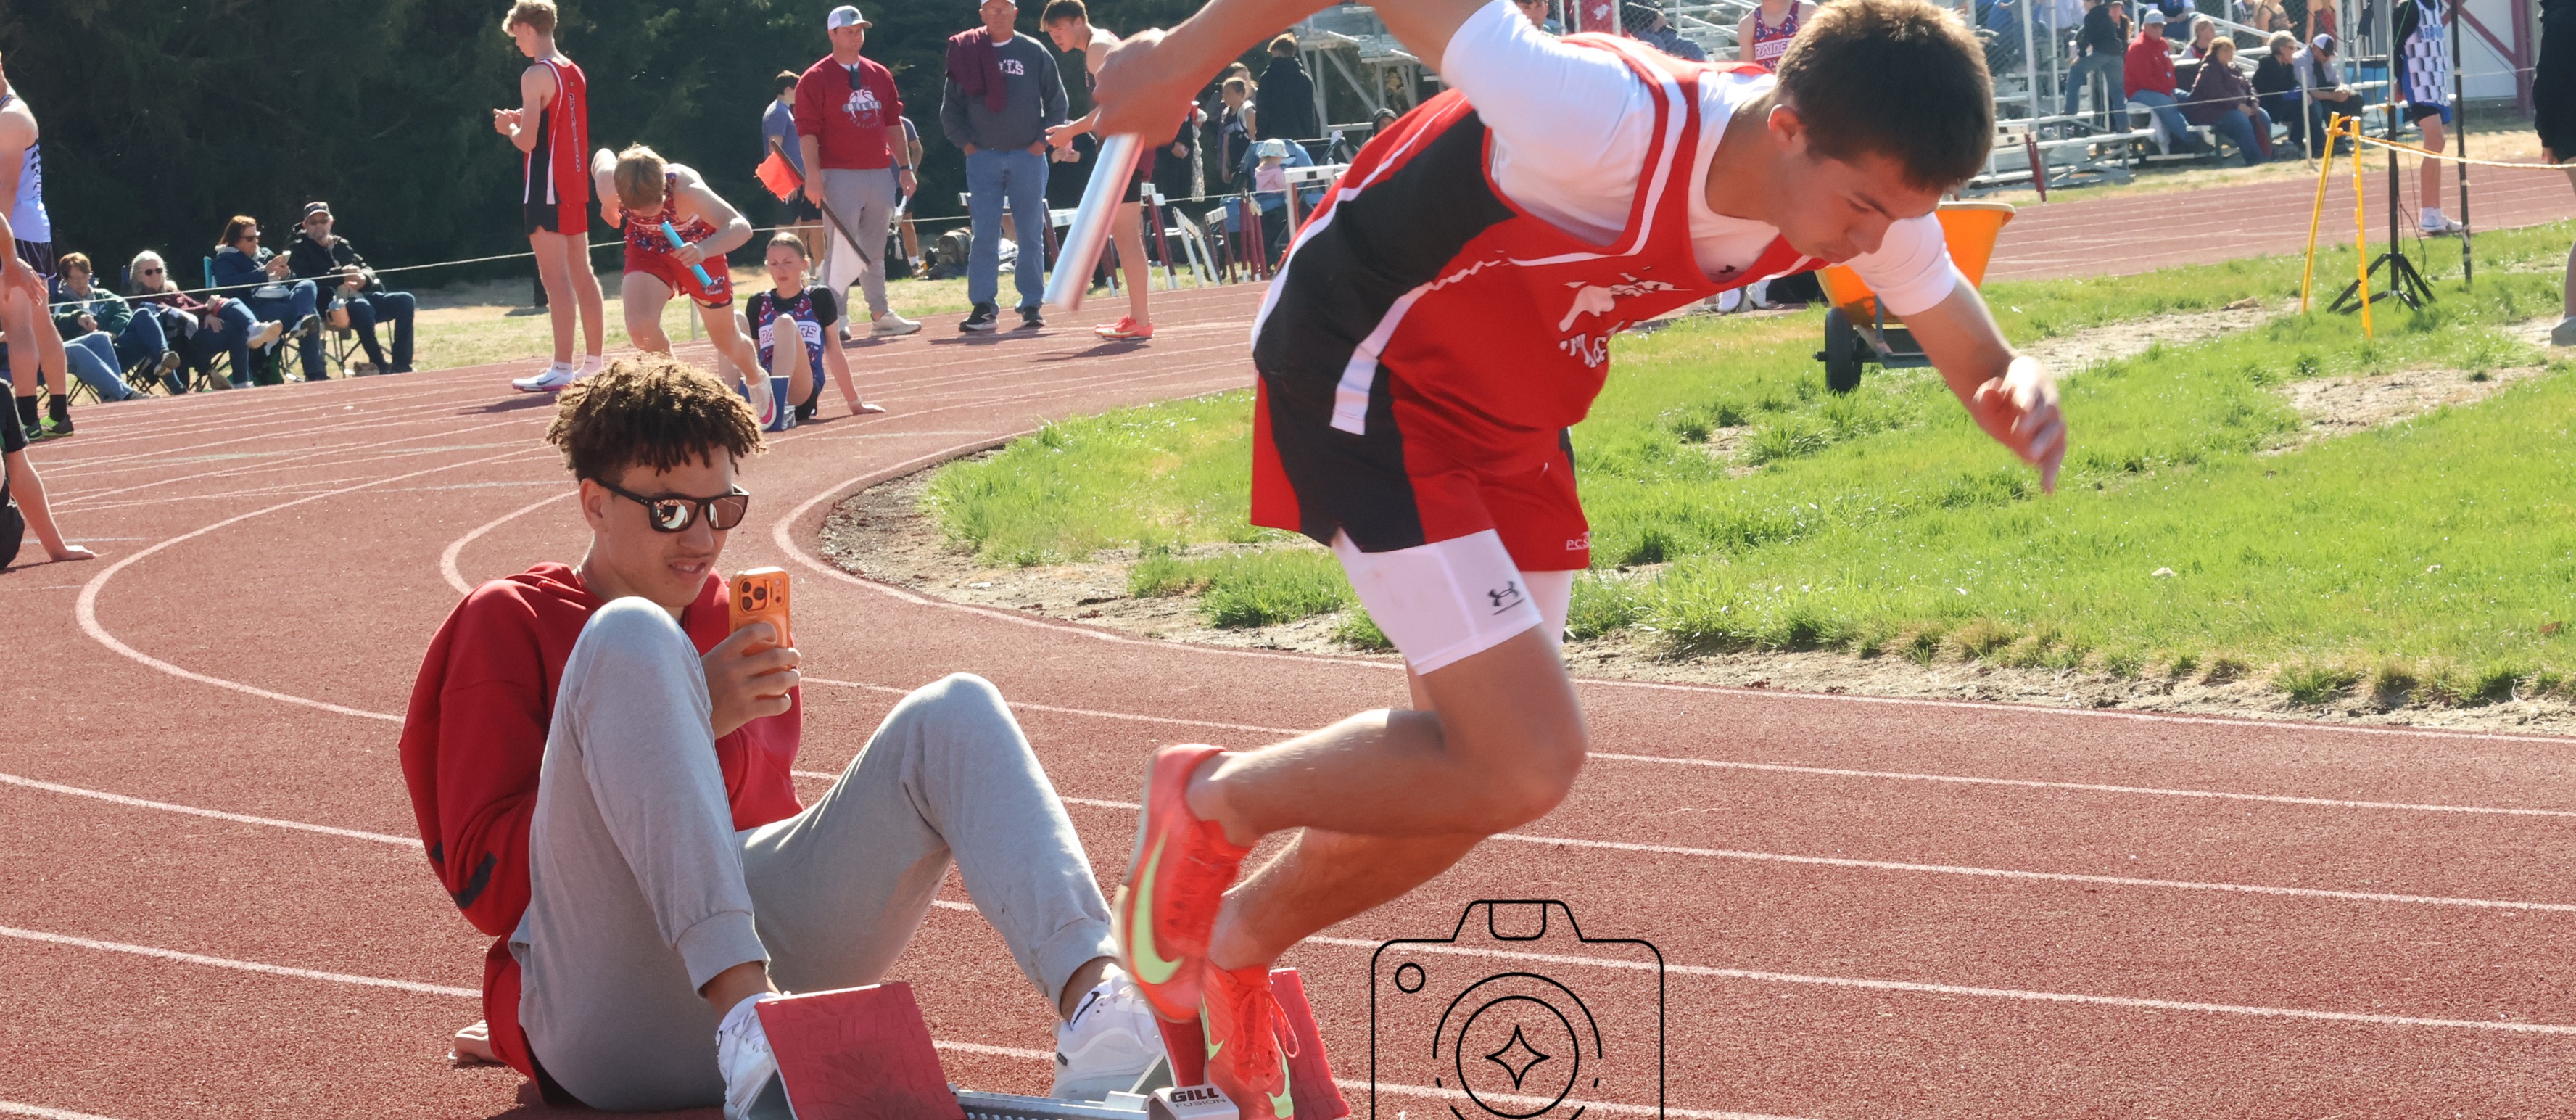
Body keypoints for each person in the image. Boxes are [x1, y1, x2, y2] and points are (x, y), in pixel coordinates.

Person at [1086, 2, 2065, 1116]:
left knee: (1469, 786)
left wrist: (2011, 386)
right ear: (1787, 126)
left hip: (1510, 405)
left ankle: (1234, 941)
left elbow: (1967, 340)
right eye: (1862, 209)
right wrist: (1175, 61)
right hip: (1367, 367)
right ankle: (1207, 804)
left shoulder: (1864, 186)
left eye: (1900, 216)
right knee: (1525, 758)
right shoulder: (1595, 120)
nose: (1870, 240)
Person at [401, 355, 1161, 1119]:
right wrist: (695, 713)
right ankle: (746, 1022)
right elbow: (493, 890)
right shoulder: (510, 618)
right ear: (594, 503)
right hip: (607, 1012)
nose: (701, 539)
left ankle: (1101, 1011)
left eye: (721, 509)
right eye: (670, 511)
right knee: (632, 634)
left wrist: (703, 714)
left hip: (768, 964)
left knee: (954, 710)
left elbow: (750, 849)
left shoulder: (729, 618)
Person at [593, 145, 774, 425]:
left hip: (699, 250)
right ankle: (679, 387)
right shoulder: (611, 185)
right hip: (648, 250)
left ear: (665, 190)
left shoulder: (687, 189)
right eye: (634, 210)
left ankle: (755, 376)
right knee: (640, 328)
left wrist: (703, 249)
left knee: (726, 341)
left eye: (652, 209)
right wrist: (607, 204)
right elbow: (602, 154)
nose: (645, 215)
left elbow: (741, 227)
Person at [495, 0, 608, 393]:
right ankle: (593, 362)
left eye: (516, 36)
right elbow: (552, 126)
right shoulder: (572, 70)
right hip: (574, 183)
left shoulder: (535, 74)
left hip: (546, 185)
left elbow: (528, 140)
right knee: (582, 272)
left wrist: (508, 128)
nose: (517, 44)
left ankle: (561, 366)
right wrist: (523, 121)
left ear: (527, 28)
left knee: (555, 278)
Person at [795, 6, 924, 341]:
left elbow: (893, 123)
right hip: (837, 173)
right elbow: (807, 131)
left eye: (860, 30)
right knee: (841, 247)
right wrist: (813, 175)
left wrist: (905, 167)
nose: (856, 35)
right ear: (832, 35)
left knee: (874, 248)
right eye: (849, 30)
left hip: (879, 172)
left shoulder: (879, 74)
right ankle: (835, 317)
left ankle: (880, 313)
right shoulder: (815, 78)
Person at [1044, 0, 1171, 342]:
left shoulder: (1097, 48)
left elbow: (1112, 107)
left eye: (1059, 30)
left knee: (1127, 236)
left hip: (1124, 145)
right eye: (1051, 33)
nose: (1056, 38)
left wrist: (1071, 130)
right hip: (1127, 143)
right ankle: (1139, 317)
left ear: (1077, 21)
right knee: (1127, 235)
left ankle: (1141, 319)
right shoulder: (1103, 41)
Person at [942, 0, 1070, 332]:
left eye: (1004, 8)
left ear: (1015, 13)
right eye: (991, 8)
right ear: (981, 14)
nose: (998, 14)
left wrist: (1041, 144)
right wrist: (968, 146)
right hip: (983, 157)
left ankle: (1031, 304)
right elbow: (951, 109)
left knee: (1030, 233)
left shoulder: (1034, 50)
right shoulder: (966, 50)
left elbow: (1058, 103)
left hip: (1028, 156)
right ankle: (983, 306)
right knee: (984, 234)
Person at [724, 233, 886, 422]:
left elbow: (834, 351)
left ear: (804, 264)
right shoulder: (758, 302)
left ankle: (776, 407)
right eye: (774, 264)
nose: (781, 269)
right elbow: (753, 353)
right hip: (762, 385)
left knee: (784, 322)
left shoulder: (819, 297)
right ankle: (728, 410)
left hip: (801, 390)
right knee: (734, 321)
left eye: (788, 262)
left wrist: (855, 403)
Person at [0, 57, 71, 440]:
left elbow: (5, 190)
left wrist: (3, 247)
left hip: (16, 231)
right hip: (32, 229)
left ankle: (27, 418)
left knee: (18, 324)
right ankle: (58, 414)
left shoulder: (10, 117)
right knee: (40, 322)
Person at [287, 201, 417, 375]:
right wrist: (340, 275)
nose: (319, 225)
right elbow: (305, 280)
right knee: (362, 308)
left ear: (331, 223)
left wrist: (366, 279)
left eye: (323, 220)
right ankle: (380, 365)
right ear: (305, 225)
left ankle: (402, 364)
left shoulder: (342, 244)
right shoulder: (297, 248)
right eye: (313, 222)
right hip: (330, 305)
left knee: (406, 300)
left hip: (360, 297)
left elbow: (365, 267)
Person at [128, 250, 275, 391]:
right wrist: (206, 310)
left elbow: (194, 305)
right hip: (185, 344)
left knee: (233, 317)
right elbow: (172, 314)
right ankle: (254, 329)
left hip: (202, 330)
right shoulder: (138, 301)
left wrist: (208, 313)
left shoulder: (172, 292)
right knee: (224, 313)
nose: (155, 275)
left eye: (159, 270)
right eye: (149, 272)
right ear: (138, 276)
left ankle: (253, 335)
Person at [210, 216, 329, 383]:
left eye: (257, 236)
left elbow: (292, 281)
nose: (255, 242)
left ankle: (301, 322)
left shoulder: (265, 253)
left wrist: (286, 274)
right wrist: (263, 273)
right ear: (236, 240)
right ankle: (315, 373)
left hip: (282, 299)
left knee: (307, 285)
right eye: (250, 238)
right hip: (257, 309)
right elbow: (228, 285)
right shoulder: (225, 259)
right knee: (311, 319)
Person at [51, 252, 181, 391]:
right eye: (76, 279)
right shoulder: (60, 303)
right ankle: (170, 384)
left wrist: (112, 333)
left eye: (85, 277)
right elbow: (57, 323)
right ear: (65, 279)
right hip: (92, 358)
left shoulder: (103, 295)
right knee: (103, 339)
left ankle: (164, 357)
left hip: (120, 349)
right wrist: (77, 318)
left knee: (144, 314)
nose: (82, 283)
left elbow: (124, 311)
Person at [2394, 0, 2464, 233]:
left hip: (2436, 82)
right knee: (2436, 141)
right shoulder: (2410, 8)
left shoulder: (2436, 6)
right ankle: (2428, 213)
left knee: (2436, 145)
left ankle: (2434, 212)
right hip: (2418, 81)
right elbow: (2395, 44)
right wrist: (2396, 81)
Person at [761, 71, 826, 262]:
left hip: (795, 181)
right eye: (799, 89)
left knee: (795, 228)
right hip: (784, 181)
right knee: (784, 229)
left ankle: (796, 270)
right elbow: (775, 149)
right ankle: (777, 264)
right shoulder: (777, 112)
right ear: (789, 89)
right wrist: (787, 181)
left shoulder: (786, 111)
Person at [2541, 0, 2576, 343]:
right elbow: (2546, 80)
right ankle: (2571, 318)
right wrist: (2547, 136)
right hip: (2571, 135)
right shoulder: (2564, 17)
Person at [2125, 9, 2208, 152]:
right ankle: (2193, 141)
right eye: (2154, 26)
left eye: (2161, 26)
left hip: (2161, 90)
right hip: (2138, 92)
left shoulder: (2162, 43)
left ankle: (2207, 134)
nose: (2158, 30)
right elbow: (2144, 80)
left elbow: (2168, 71)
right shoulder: (2138, 47)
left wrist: (2171, 90)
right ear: (2145, 26)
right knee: (2167, 104)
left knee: (2191, 99)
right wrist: (2167, 92)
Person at [2186, 38, 2276, 164]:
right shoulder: (2209, 69)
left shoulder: (2233, 68)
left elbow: (2249, 87)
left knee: (2262, 115)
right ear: (2214, 52)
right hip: (2211, 111)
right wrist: (2239, 106)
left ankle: (2268, 153)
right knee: (2240, 120)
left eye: (2231, 51)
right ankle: (2255, 159)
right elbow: (2217, 95)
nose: (2229, 54)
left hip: (2235, 108)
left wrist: (2254, 102)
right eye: (2225, 51)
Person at [2067, 0, 2131, 130]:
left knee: (2075, 71)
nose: (2083, 5)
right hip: (2117, 54)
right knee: (2117, 91)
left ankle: (2071, 109)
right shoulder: (2107, 14)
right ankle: (2124, 125)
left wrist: (2081, 56)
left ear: (2091, 2)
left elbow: (2087, 38)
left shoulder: (2091, 16)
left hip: (2102, 53)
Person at [2295, 33, 2358, 156]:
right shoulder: (2300, 60)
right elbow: (2309, 91)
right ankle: (2319, 146)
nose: (2328, 58)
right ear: (2316, 49)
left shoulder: (2323, 59)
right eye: (2325, 54)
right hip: (2307, 98)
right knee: (2318, 107)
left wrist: (2343, 91)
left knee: (2354, 100)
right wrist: (2333, 96)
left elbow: (2335, 81)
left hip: (2325, 94)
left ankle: (2339, 141)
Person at [1252, 35, 1320, 145]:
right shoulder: (1305, 79)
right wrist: (1308, 140)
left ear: (1278, 53)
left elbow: (1263, 112)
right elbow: (1309, 115)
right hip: (1299, 140)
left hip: (1273, 141)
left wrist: (1260, 138)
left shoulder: (1267, 78)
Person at [2252, 29, 2307, 152]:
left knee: (2307, 104)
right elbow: (2284, 86)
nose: (2295, 51)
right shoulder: (2268, 63)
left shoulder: (2284, 65)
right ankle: (2296, 143)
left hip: (2278, 104)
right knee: (2301, 106)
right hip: (2266, 105)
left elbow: (2291, 85)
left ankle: (2299, 142)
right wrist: (2291, 66)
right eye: (2292, 48)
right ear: (2282, 49)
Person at [1738, 0, 1817, 69]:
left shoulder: (1807, 12)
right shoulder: (1748, 24)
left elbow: (1819, 58)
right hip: (1767, 85)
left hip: (1801, 83)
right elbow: (1748, 73)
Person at [1622, 1, 1709, 59]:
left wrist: (1658, 11)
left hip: (1658, 27)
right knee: (1657, 43)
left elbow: (1655, 3)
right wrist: (1654, 14)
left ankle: (1712, 71)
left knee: (1691, 46)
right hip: (1635, 30)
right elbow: (1625, 7)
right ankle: (1664, 78)